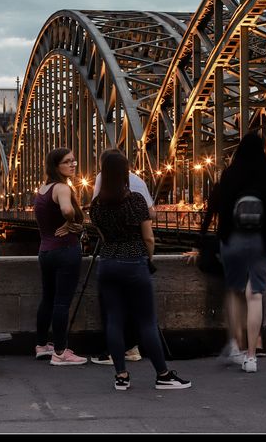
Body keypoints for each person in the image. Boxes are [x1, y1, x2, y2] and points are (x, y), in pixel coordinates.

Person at [89, 151, 191, 391]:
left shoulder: (96, 205)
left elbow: (103, 236)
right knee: (146, 321)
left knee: (114, 320)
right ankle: (163, 375)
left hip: (107, 263)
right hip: (133, 263)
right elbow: (149, 237)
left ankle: (121, 376)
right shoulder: (135, 200)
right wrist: (147, 258)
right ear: (125, 173)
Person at [201, 131, 266, 374]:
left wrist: (210, 235)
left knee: (234, 291)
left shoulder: (231, 173)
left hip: (232, 240)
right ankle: (251, 356)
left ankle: (235, 346)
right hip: (259, 241)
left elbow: (215, 206)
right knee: (255, 295)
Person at [90, 148, 149, 365]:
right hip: (135, 256)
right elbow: (151, 221)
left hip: (109, 257)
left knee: (112, 312)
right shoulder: (138, 191)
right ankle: (140, 353)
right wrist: (148, 256)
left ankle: (114, 361)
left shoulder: (97, 202)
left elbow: (99, 226)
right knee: (141, 311)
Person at [34, 147, 88, 365]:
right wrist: (70, 222)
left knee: (47, 299)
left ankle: (41, 345)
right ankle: (60, 351)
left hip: (45, 251)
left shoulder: (43, 188)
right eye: (67, 162)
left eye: (74, 161)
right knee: (62, 303)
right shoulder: (62, 188)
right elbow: (66, 210)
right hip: (65, 250)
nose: (73, 164)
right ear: (56, 166)